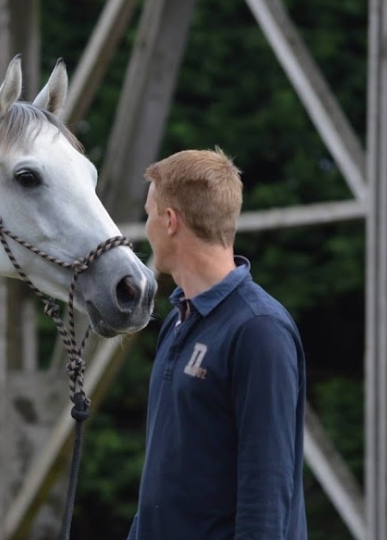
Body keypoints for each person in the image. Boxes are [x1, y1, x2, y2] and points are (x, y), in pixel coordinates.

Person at [127, 148, 307, 540]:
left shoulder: (259, 329)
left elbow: (267, 491)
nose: (147, 226)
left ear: (170, 220)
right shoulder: (176, 321)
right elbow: (162, 484)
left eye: (149, 213)